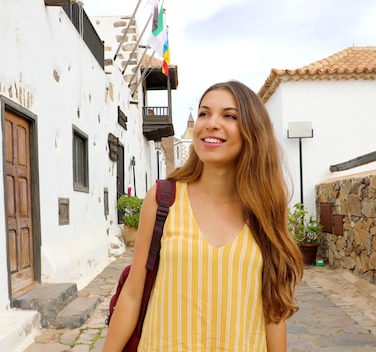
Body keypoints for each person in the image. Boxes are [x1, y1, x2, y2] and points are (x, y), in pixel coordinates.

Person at [103, 81, 304, 351]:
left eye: (229, 116)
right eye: (204, 113)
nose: (211, 123)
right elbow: (132, 294)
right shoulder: (164, 199)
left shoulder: (265, 210)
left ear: (252, 132)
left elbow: (274, 308)